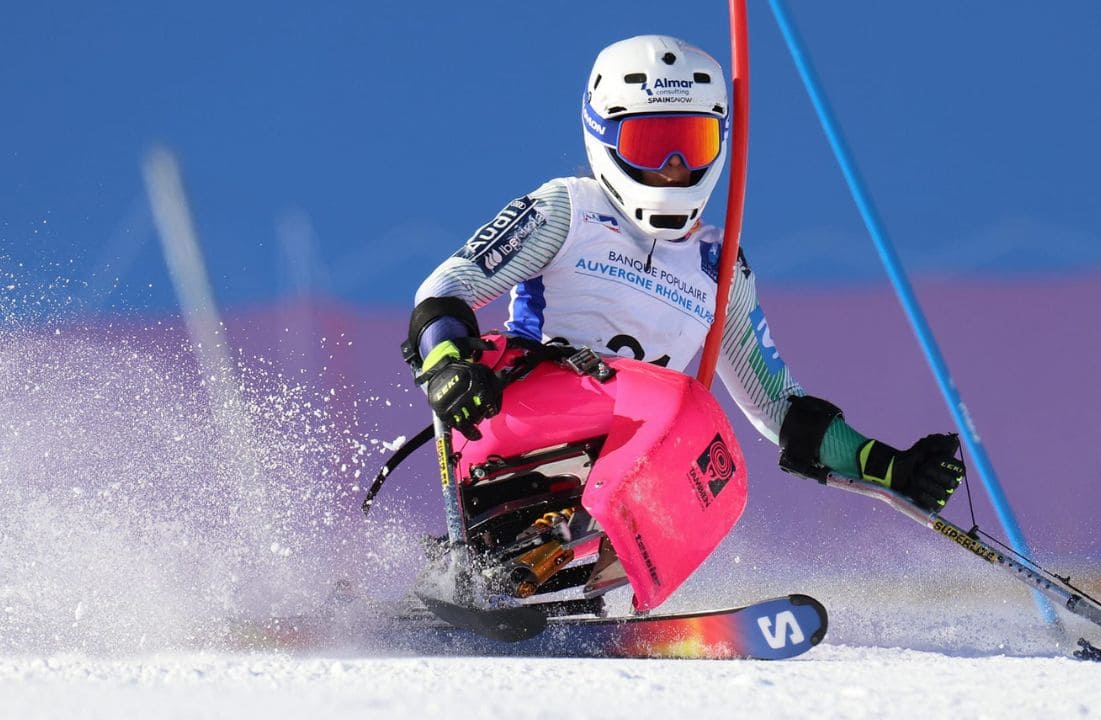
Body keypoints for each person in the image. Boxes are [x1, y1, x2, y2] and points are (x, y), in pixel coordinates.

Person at [406, 34, 963, 527]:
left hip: (631, 469)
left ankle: (560, 579)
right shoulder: (568, 209)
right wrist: (447, 361)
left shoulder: (719, 264)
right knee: (678, 406)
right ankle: (515, 540)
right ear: (605, 136)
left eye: (690, 145)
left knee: (707, 437)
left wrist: (889, 467)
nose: (674, 168)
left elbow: (778, 405)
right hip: (519, 427)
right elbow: (446, 287)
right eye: (651, 146)